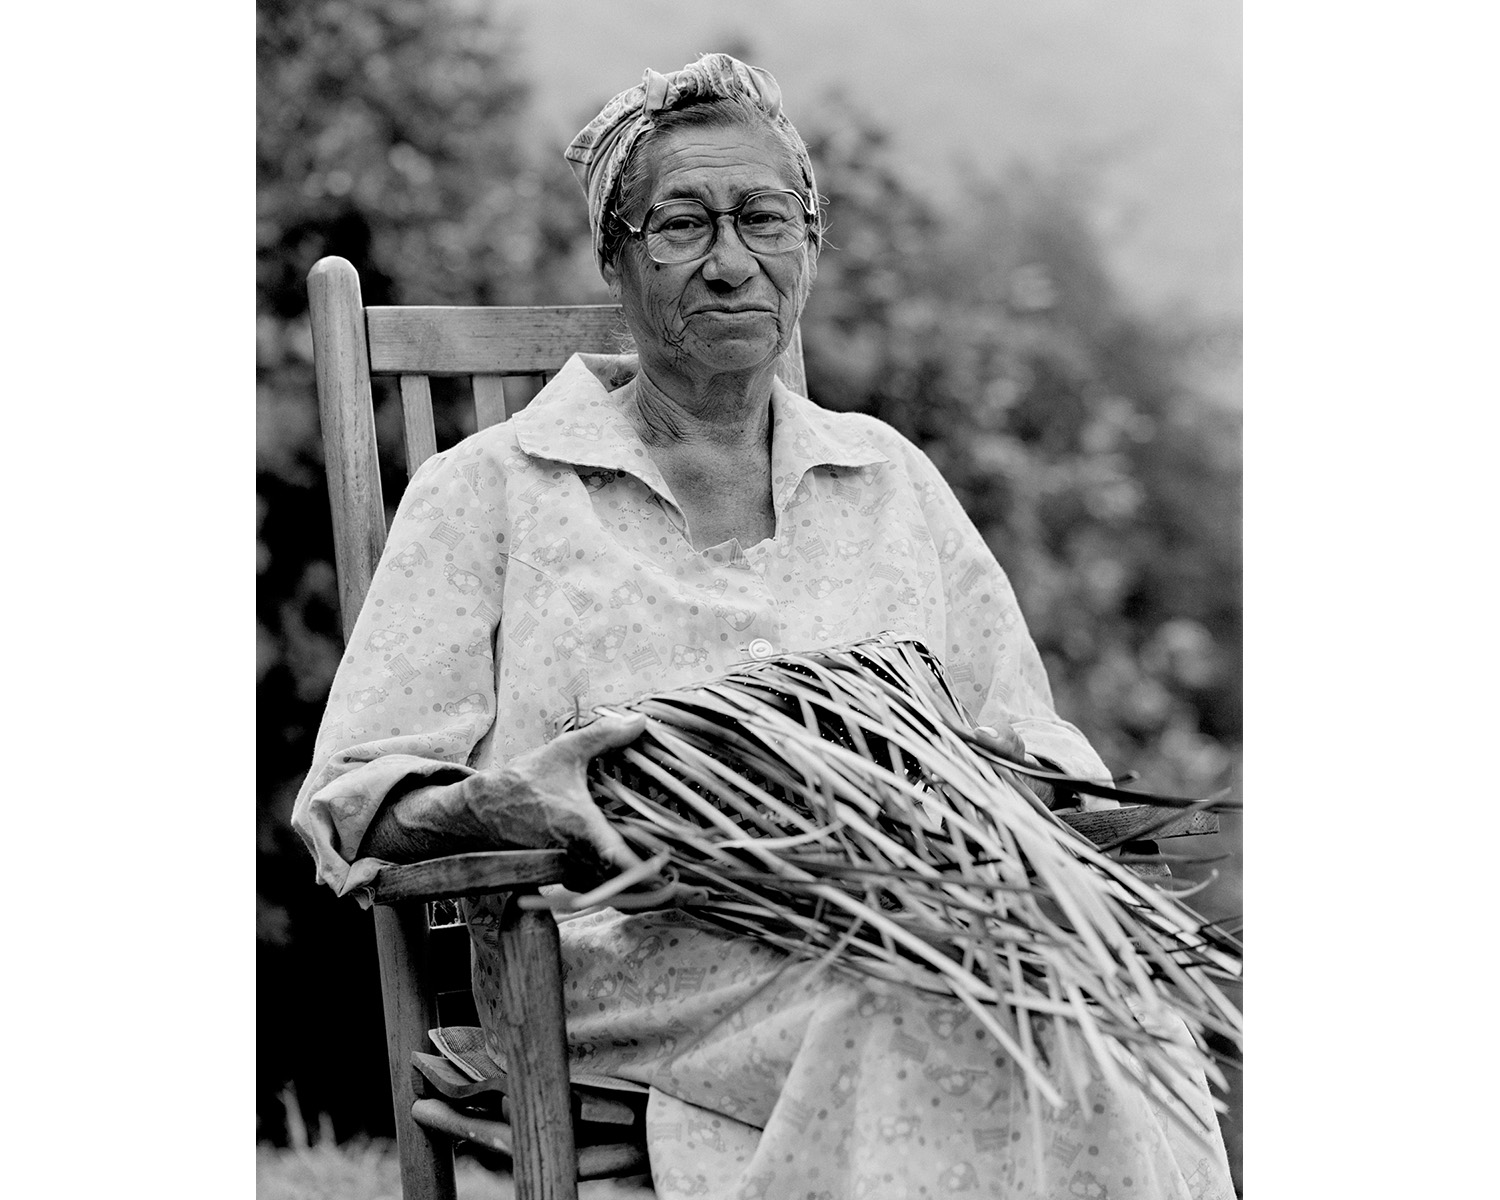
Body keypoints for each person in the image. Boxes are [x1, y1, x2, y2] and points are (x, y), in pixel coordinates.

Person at [293, 52, 1233, 1200]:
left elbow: (1024, 742)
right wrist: (503, 801)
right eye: (682, 223)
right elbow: (352, 795)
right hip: (628, 969)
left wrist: (1042, 838)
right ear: (615, 257)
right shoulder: (491, 489)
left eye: (763, 219)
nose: (731, 262)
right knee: (931, 1015)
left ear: (810, 245)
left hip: (897, 930)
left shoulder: (884, 477)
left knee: (1113, 1007)